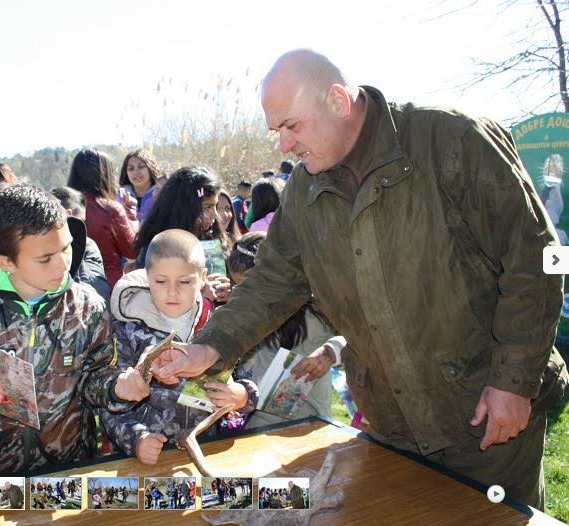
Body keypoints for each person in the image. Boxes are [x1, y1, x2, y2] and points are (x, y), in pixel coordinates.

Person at [151, 49, 568, 510]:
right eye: (277, 132)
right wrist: (208, 347)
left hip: (486, 417)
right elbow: (274, 279)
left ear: (337, 101)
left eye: (291, 126)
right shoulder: (305, 191)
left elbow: (538, 258)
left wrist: (513, 381)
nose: (284, 147)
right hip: (393, 424)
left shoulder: (452, 141)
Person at [0, 184, 149, 475]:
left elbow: (96, 377)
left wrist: (119, 387)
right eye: (45, 259)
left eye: (66, 247)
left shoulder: (89, 307)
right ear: (6, 262)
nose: (63, 264)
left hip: (71, 467)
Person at [99, 230, 258, 465]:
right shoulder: (127, 331)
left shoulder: (219, 327)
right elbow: (109, 400)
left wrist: (243, 397)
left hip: (207, 450)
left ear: (203, 277)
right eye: (161, 281)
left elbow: (244, 378)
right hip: (152, 458)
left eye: (184, 281)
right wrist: (136, 439)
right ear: (146, 276)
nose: (172, 291)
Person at [228, 232, 344, 427]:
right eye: (236, 286)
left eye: (246, 288)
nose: (241, 296)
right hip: (258, 429)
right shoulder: (246, 316)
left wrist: (331, 351)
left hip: (306, 427)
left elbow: (357, 345)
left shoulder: (314, 317)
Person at [133, 166, 232, 304]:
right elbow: (150, 300)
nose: (216, 214)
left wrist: (226, 291)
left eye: (215, 206)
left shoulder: (213, 237)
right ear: (186, 209)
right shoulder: (157, 247)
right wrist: (199, 294)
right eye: (208, 207)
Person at [68, 149, 138, 288]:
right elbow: (132, 252)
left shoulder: (62, 206)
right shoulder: (111, 210)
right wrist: (132, 217)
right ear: (105, 174)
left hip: (70, 286)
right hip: (107, 286)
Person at [50, 187, 110, 303]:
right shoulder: (86, 244)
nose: (83, 230)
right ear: (68, 214)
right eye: (81, 222)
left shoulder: (88, 245)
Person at [119, 149, 163, 223]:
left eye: (141, 167)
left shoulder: (161, 195)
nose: (136, 172)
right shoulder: (119, 198)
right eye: (131, 169)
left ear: (150, 168)